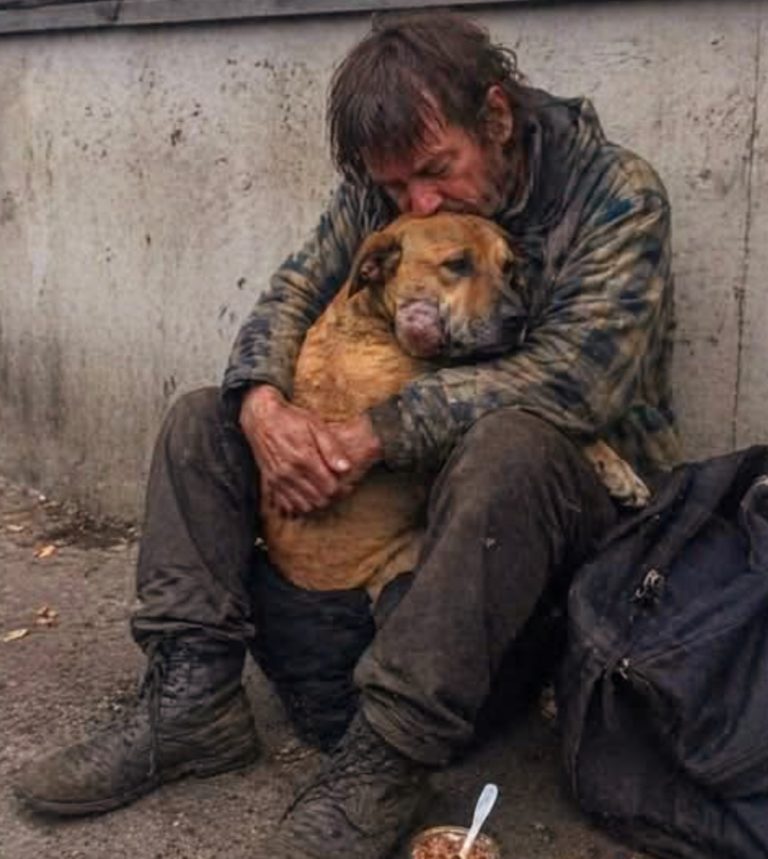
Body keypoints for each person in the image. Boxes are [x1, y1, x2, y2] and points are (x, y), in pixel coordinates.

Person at [13, 12, 680, 859]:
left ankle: (390, 754)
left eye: (436, 172)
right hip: (414, 534)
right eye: (398, 189)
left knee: (511, 441)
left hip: (566, 527)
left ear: (498, 119)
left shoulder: (615, 193)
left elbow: (576, 382)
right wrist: (262, 407)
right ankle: (193, 701)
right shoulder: (393, 191)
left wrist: (373, 434)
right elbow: (291, 293)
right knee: (201, 419)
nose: (419, 203)